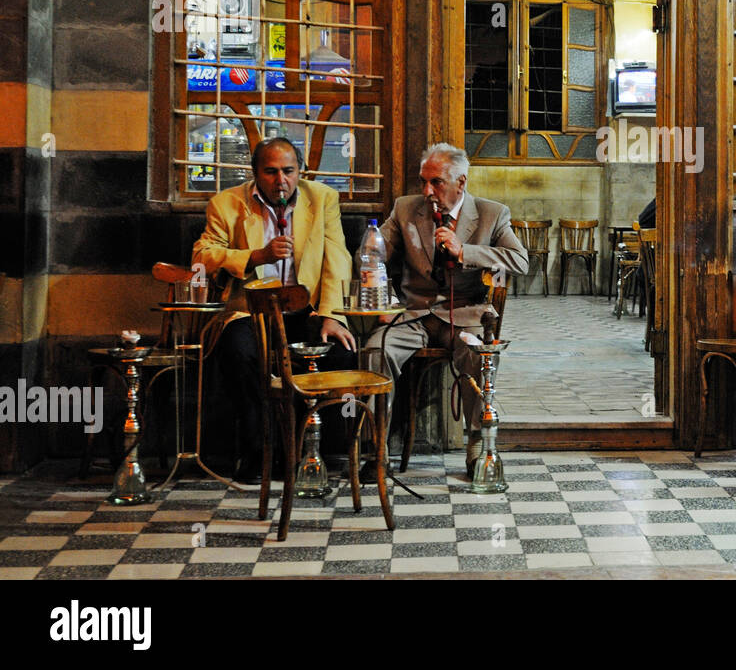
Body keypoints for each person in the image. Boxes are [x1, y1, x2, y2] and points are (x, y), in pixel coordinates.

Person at [193, 137, 356, 483]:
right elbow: (202, 256)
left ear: (300, 172)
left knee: (341, 351)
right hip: (252, 312)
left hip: (307, 309)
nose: (280, 180)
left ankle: (326, 452)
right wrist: (256, 257)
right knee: (239, 353)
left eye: (288, 171)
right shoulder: (226, 203)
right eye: (270, 172)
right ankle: (261, 454)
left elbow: (337, 258)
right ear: (255, 174)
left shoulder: (323, 198)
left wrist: (332, 315)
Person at [362, 143, 529, 475]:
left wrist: (465, 250)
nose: (427, 191)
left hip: (464, 316)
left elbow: (520, 261)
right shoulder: (406, 209)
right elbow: (371, 252)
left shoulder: (491, 214)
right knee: (375, 350)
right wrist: (381, 294)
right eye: (424, 182)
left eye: (436, 182)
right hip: (413, 315)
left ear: (461, 183)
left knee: (478, 355)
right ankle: (375, 448)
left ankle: (479, 447)